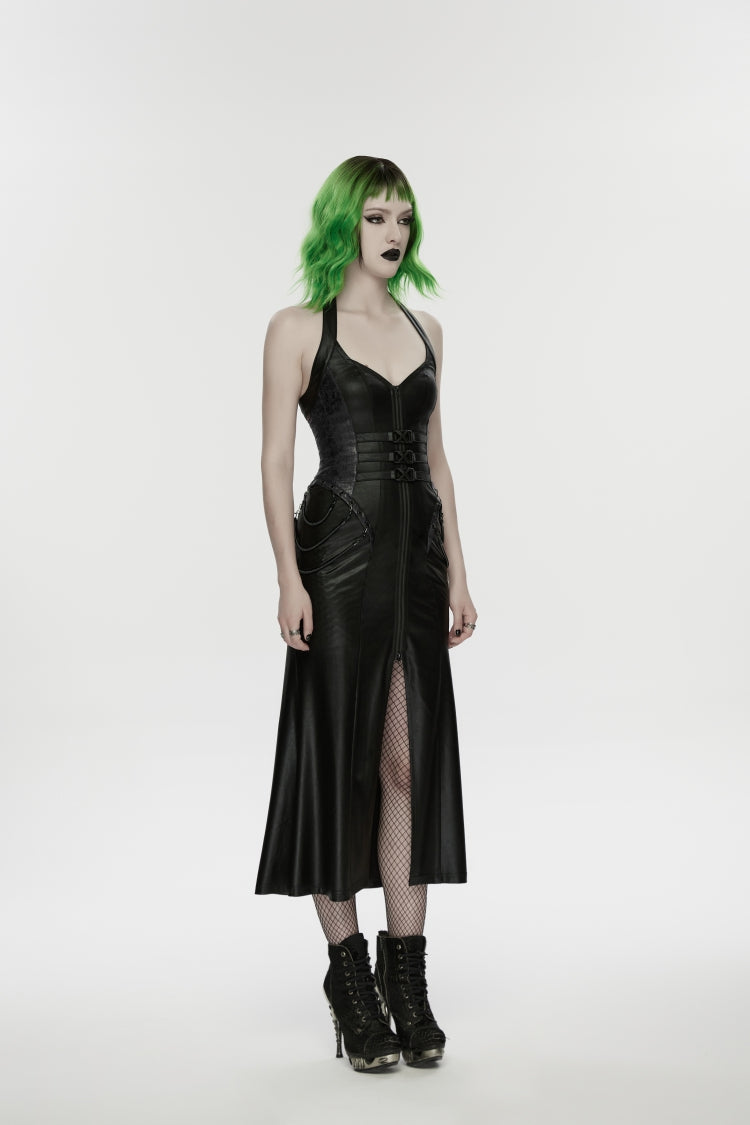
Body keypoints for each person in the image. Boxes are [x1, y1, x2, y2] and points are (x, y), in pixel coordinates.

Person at [255, 155, 477, 1072]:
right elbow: (274, 460)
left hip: (416, 569)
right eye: (377, 216)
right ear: (344, 224)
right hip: (338, 565)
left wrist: (458, 572)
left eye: (403, 217)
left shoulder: (427, 329)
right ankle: (350, 977)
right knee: (338, 764)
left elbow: (437, 459)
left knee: (404, 764)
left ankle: (406, 980)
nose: (393, 232)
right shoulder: (297, 327)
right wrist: (287, 578)